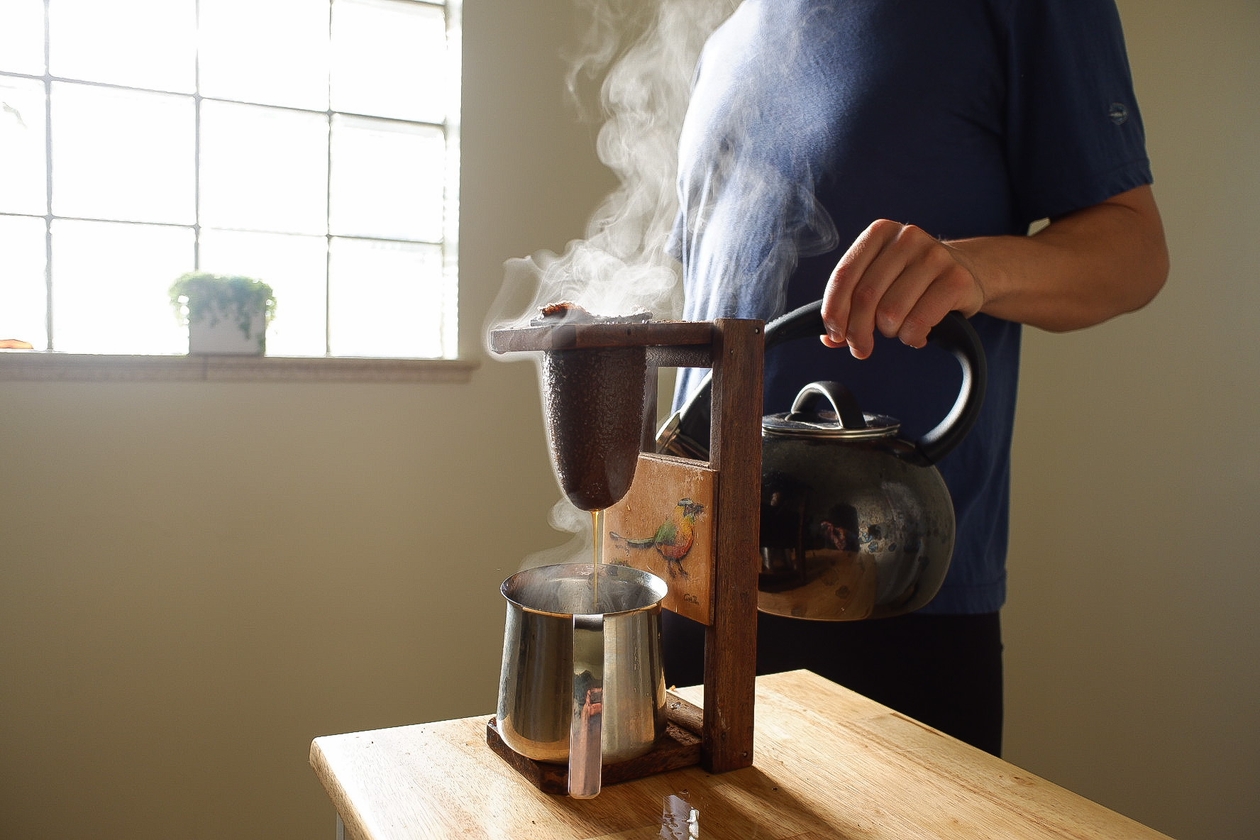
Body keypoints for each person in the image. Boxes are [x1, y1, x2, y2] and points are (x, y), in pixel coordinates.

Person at [662, 0, 1168, 756]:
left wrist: (975, 268)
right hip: (691, 583)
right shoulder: (729, 39)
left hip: (885, 595)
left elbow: (1134, 252)